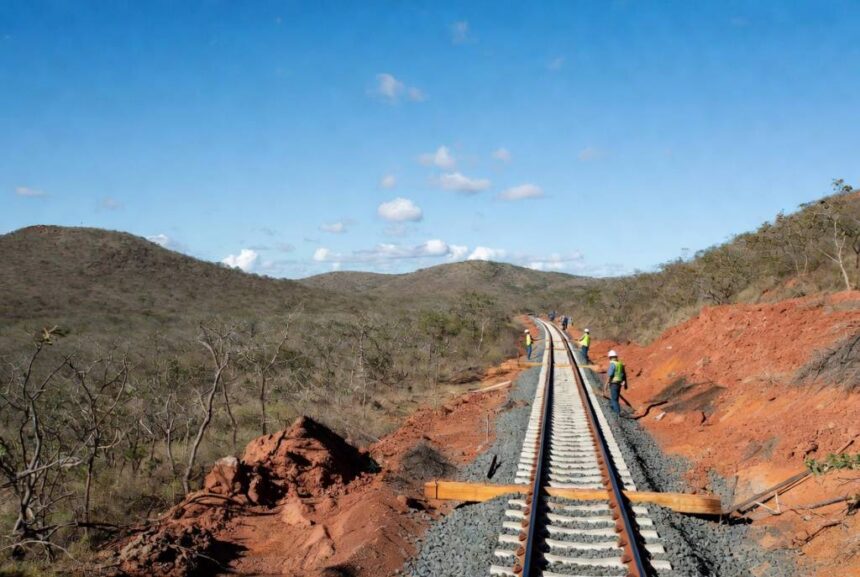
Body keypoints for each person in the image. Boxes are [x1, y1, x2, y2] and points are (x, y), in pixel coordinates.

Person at [605, 350, 627, 415]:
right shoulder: (620, 363)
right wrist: (625, 384)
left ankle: (617, 413)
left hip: (614, 383)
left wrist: (605, 385)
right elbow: (624, 374)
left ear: (610, 357)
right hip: (619, 383)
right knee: (616, 398)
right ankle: (614, 409)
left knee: (614, 399)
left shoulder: (612, 364)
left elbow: (610, 375)